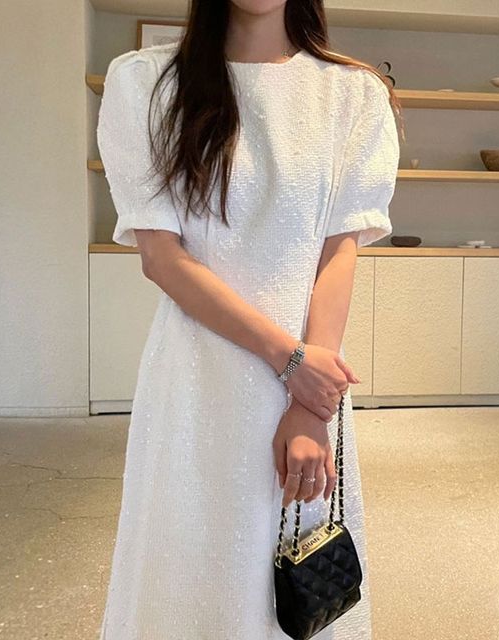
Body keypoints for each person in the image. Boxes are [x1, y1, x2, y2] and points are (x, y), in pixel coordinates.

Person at [96, 1, 403, 638]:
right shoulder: (145, 83)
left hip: (309, 377)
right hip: (198, 382)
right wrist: (292, 363)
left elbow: (338, 251)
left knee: (293, 567)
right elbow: (161, 257)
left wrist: (311, 401)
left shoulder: (353, 94)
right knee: (189, 563)